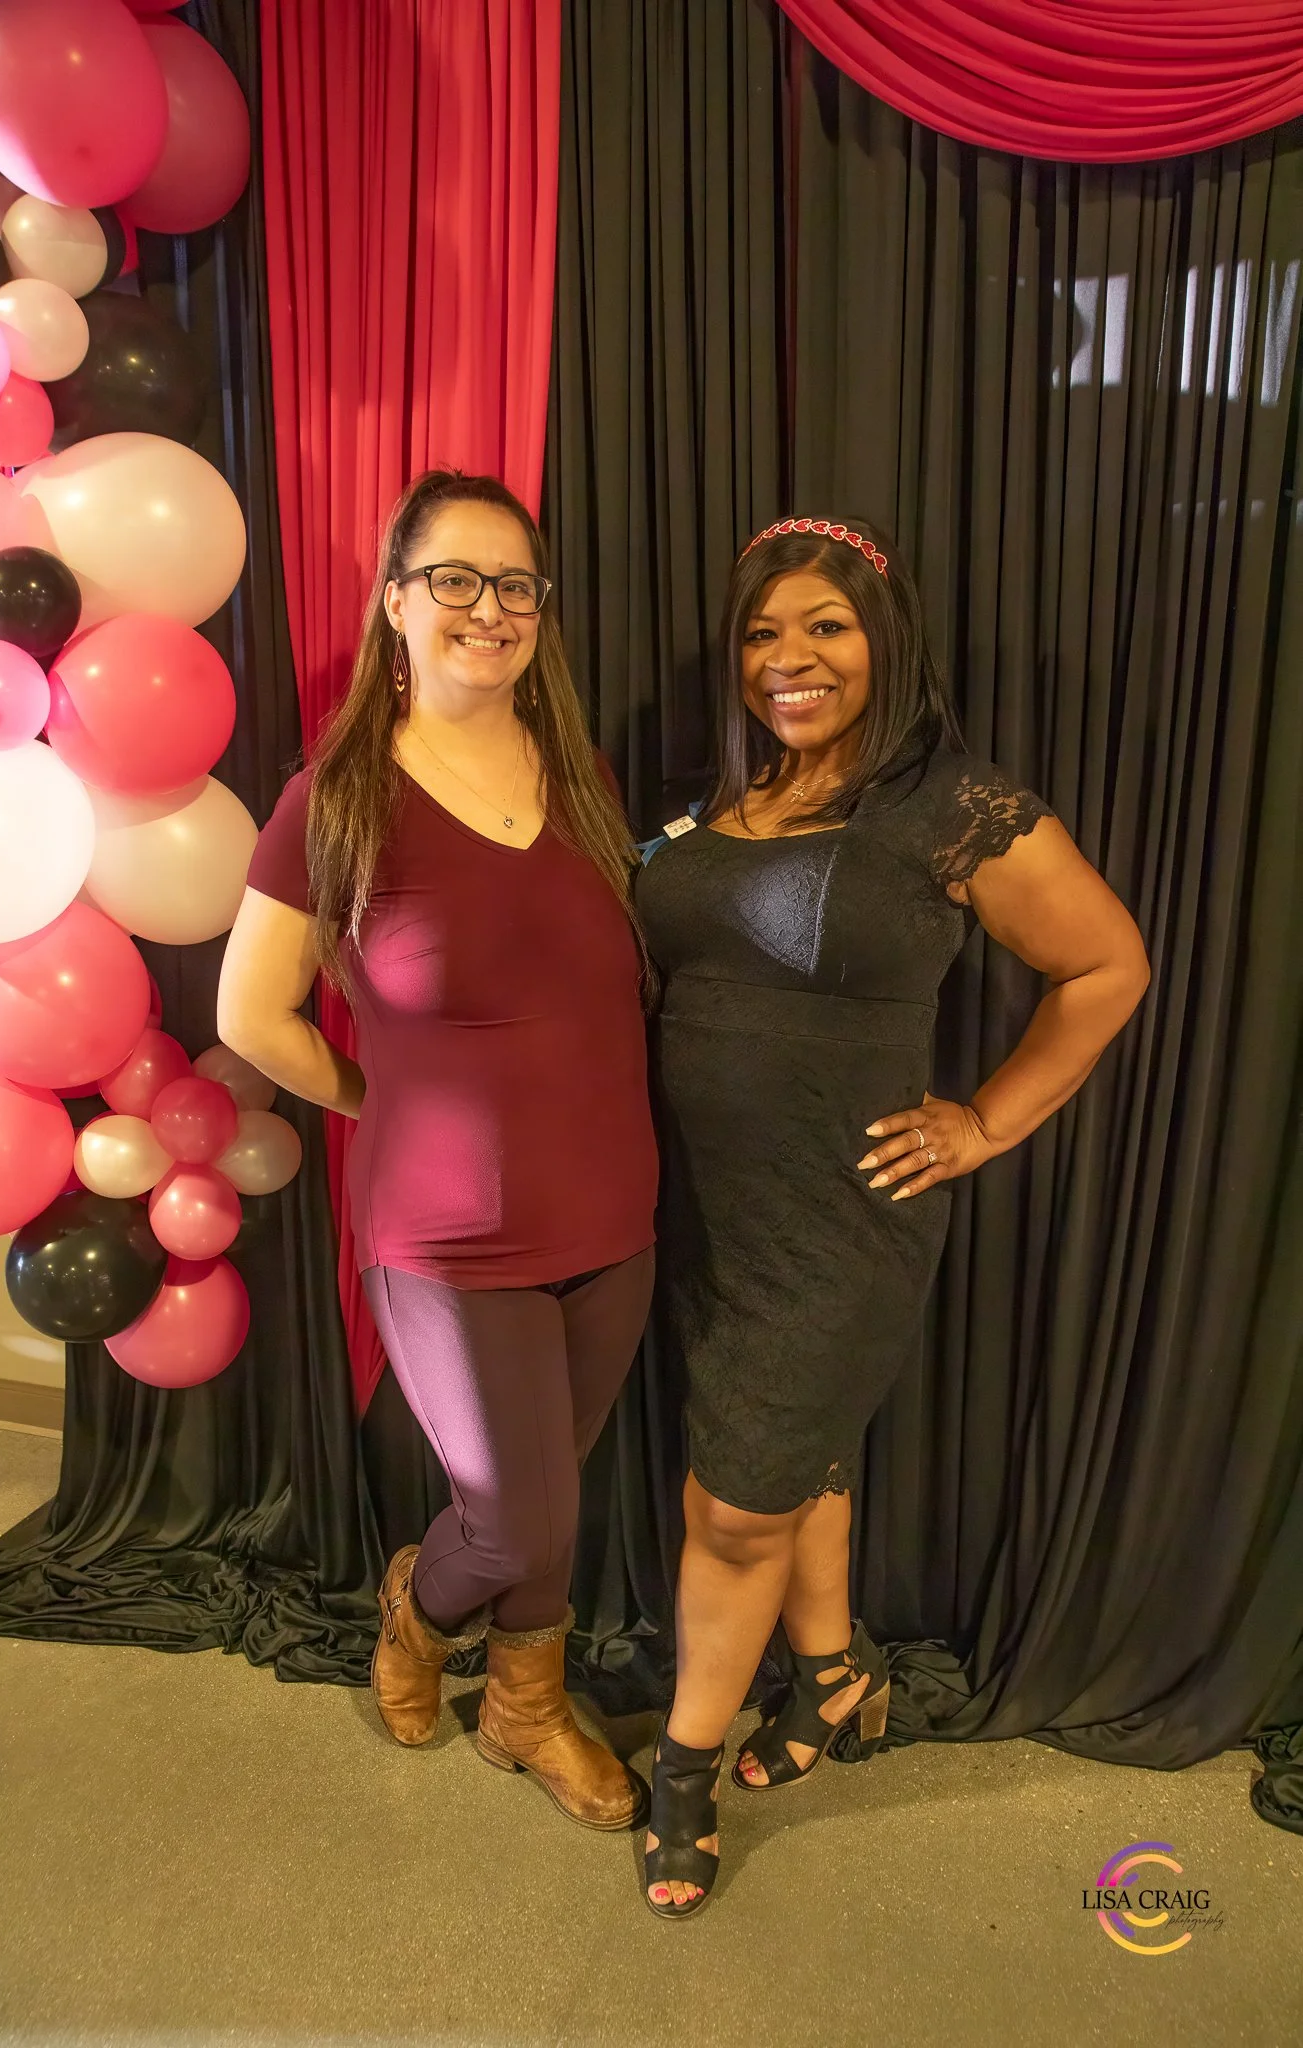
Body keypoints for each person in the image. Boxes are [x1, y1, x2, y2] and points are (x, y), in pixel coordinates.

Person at [634, 514, 1151, 1916]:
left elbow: (1106, 963)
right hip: (704, 1216)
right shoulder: (729, 796)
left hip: (839, 1226)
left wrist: (986, 1121)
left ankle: (680, 1775)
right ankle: (831, 1680)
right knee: (792, 1460)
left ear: (886, 640)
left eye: (825, 626)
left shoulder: (948, 803)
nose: (787, 657)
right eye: (760, 632)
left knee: (734, 1506)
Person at [218, 469, 657, 1830]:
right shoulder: (333, 799)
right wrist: (383, 1098)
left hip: (615, 1212)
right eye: (454, 578)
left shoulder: (582, 778)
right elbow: (251, 1016)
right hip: (448, 1234)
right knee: (518, 1519)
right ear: (395, 602)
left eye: (516, 583)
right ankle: (418, 1612)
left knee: (551, 1495)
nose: (489, 607)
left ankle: (522, 1707)